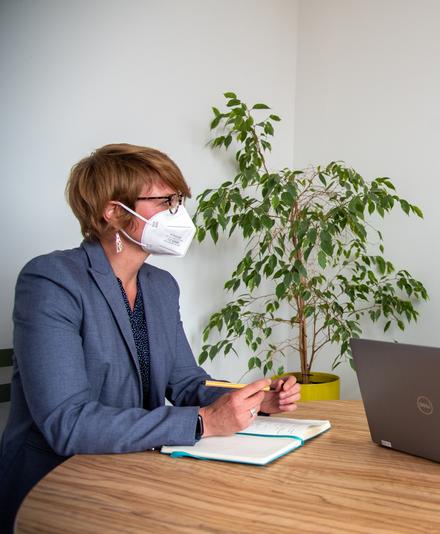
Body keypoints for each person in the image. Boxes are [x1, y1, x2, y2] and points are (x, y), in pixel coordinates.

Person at [0, 144, 301, 528]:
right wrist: (203, 422)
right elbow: (68, 422)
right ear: (113, 212)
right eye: (165, 202)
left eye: (179, 201)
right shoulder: (51, 281)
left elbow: (187, 382)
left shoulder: (161, 286)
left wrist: (253, 401)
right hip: (57, 483)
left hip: (136, 469)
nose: (180, 215)